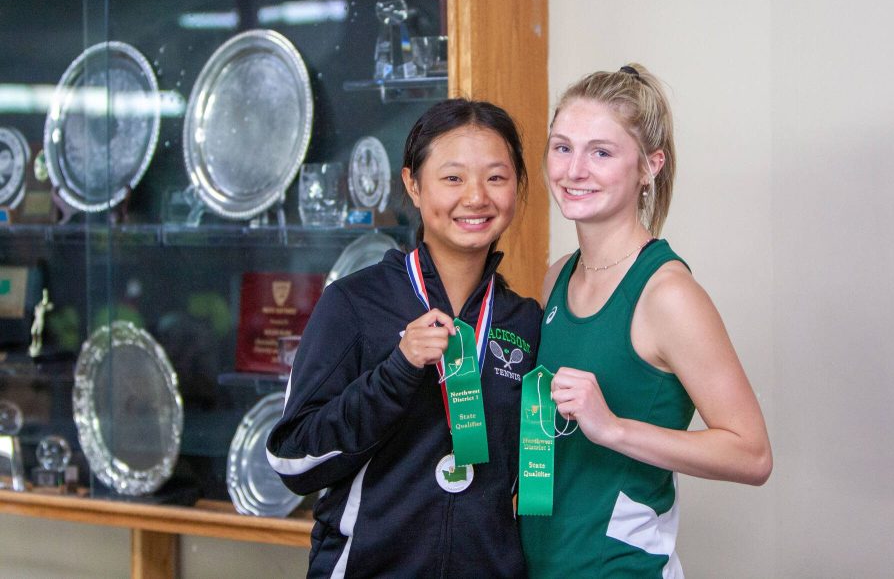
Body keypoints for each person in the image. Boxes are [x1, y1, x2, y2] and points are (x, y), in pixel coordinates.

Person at [267, 99, 540, 578]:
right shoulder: (353, 304)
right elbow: (292, 461)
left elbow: (535, 472)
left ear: (518, 185)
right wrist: (396, 373)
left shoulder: (523, 323)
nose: (476, 197)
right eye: (452, 178)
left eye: (496, 177)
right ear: (413, 185)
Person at [518, 64, 772, 577]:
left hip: (621, 568)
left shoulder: (667, 294)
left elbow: (752, 454)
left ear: (649, 166)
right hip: (545, 563)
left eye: (602, 152)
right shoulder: (555, 279)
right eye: (562, 147)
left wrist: (612, 429)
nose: (574, 170)